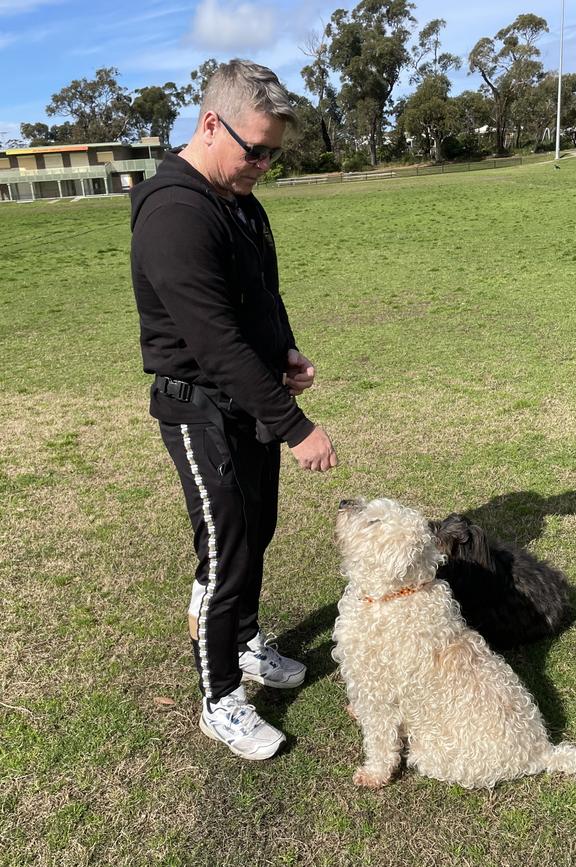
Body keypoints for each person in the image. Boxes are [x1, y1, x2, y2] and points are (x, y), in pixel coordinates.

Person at [130, 59, 337, 760]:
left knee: (259, 528)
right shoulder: (174, 213)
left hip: (247, 399)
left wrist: (286, 352)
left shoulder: (240, 201)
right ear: (211, 123)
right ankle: (220, 699)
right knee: (226, 553)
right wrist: (295, 425)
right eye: (257, 150)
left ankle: (245, 640)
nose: (265, 165)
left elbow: (257, 299)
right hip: (198, 409)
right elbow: (214, 343)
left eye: (276, 154)